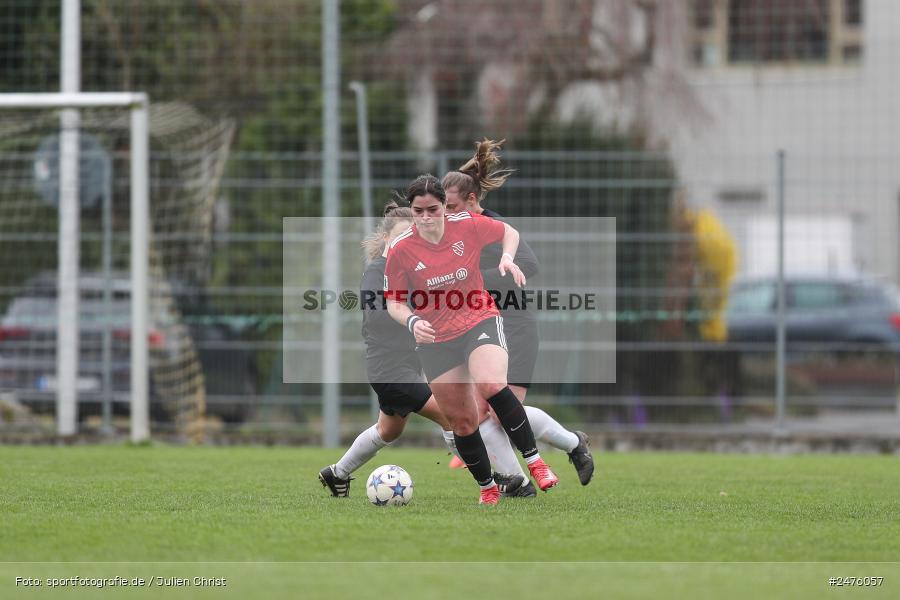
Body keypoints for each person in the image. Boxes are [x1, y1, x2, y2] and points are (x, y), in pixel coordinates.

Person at [319, 203, 531, 498]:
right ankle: (504, 480)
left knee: (388, 431)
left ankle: (336, 473)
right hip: (391, 371)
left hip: (407, 365)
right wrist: (416, 316)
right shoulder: (377, 272)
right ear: (386, 239)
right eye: (403, 234)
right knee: (458, 417)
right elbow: (375, 316)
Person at [384, 174, 559, 505]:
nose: (425, 218)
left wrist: (507, 257)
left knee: (492, 384)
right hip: (435, 338)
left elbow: (510, 232)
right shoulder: (401, 249)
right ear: (412, 210)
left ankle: (536, 464)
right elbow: (394, 301)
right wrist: (412, 321)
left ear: (444, 209)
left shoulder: (466, 224)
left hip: (479, 318)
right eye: (418, 211)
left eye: (433, 210)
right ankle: (487, 487)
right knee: (462, 422)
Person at [442, 139, 595, 489]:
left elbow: (529, 264)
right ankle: (515, 480)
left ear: (472, 201)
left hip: (514, 326)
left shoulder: (493, 227)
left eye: (451, 207)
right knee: (481, 412)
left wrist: (478, 278)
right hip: (478, 326)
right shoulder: (452, 233)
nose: (447, 215)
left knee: (498, 412)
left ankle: (573, 444)